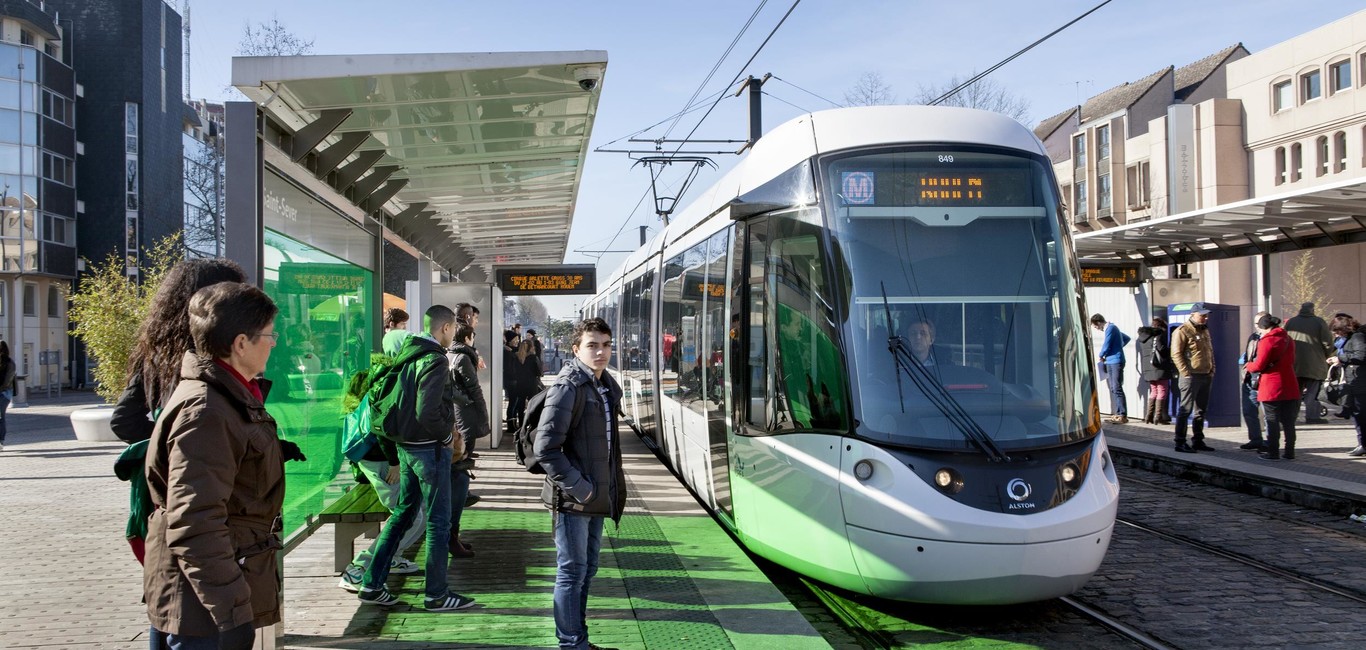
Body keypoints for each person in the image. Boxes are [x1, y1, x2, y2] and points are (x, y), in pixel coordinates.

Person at [142, 282, 283, 649]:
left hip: (208, 597)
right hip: (205, 610)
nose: (273, 343)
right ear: (240, 344)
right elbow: (196, 520)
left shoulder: (225, 396)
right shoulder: (207, 409)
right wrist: (232, 612)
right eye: (269, 335)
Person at [356, 304, 475, 612]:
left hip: (405, 448)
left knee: (404, 513)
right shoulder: (435, 359)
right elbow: (427, 409)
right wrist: (447, 436)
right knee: (438, 520)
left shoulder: (407, 352)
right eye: (452, 330)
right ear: (446, 328)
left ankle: (371, 583)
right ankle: (437, 594)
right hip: (429, 450)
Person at [530, 317, 625, 650]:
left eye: (606, 344)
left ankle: (579, 638)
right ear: (576, 349)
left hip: (596, 495)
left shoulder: (603, 384)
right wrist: (581, 488)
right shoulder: (569, 386)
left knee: (587, 570)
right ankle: (571, 643)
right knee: (571, 572)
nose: (600, 352)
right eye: (592, 345)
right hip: (574, 498)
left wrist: (603, 490)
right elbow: (546, 449)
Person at [336, 363, 425, 594]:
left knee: (417, 512)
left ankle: (391, 557)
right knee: (411, 517)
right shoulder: (395, 382)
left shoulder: (389, 376)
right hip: (382, 461)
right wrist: (395, 463)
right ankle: (359, 568)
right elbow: (382, 427)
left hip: (379, 458)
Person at [447, 322, 489, 558]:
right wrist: (483, 414)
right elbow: (474, 389)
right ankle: (452, 537)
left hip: (454, 415)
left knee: (460, 467)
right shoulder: (462, 357)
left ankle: (453, 536)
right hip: (466, 412)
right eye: (473, 335)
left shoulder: (449, 355)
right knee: (461, 468)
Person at [1244, 314, 1300, 460]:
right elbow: (1292, 360)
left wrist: (1249, 366)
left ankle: (1273, 452)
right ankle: (1289, 452)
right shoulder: (1288, 339)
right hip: (1290, 383)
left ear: (1264, 327)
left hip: (1272, 385)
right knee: (1288, 421)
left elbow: (1259, 365)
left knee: (1272, 419)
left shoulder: (1267, 341)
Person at [1171, 303, 1217, 453]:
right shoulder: (1182, 331)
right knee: (1185, 410)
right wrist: (1185, 372)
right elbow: (1176, 354)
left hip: (1205, 374)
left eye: (1206, 315)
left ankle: (1198, 440)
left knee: (1201, 410)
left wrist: (1212, 369)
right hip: (1191, 376)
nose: (1205, 318)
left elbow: (1209, 351)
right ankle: (1180, 442)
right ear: (1193, 314)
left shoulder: (1205, 330)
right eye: (1202, 315)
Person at [1285, 301, 1333, 425]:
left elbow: (1285, 340)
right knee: (1312, 392)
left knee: (1296, 392)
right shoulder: (1319, 322)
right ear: (1312, 310)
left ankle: (1291, 416)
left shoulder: (1291, 322)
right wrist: (1325, 355)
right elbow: (1327, 343)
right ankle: (1312, 416)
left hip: (1295, 363)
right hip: (1314, 363)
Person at [1328, 314, 1366, 456]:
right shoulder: (1347, 339)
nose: (1336, 334)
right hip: (1354, 380)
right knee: (1356, 413)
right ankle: (1362, 443)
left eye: (1337, 331)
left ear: (1344, 328)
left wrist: (1340, 358)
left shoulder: (1357, 337)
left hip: (1360, 381)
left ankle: (1363, 444)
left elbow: (1361, 356)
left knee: (1360, 414)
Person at [1236, 312, 1269, 451]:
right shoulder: (1254, 337)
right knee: (1249, 410)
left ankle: (1269, 441)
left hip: (1264, 379)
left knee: (1268, 414)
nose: (1257, 327)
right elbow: (1249, 356)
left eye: (1259, 323)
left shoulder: (1272, 338)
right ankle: (1255, 439)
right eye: (1255, 324)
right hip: (1250, 379)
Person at [1091, 314, 1132, 424]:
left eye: (1095, 326)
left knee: (1116, 387)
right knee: (1114, 388)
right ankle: (1118, 413)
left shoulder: (1110, 328)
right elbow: (1126, 338)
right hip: (1110, 361)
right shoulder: (1113, 328)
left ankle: (1122, 414)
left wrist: (1101, 354)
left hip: (1115, 362)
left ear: (1099, 323)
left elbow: (1107, 343)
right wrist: (1117, 347)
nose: (1096, 329)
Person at [1135, 318, 1174, 425]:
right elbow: (1161, 349)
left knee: (1154, 391)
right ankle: (1158, 417)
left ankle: (1149, 416)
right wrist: (1172, 350)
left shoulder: (1143, 338)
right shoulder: (1158, 335)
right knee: (1162, 390)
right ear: (1161, 327)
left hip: (1148, 368)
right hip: (1159, 367)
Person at [0, 341, 14, 452]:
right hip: (5, 393)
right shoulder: (10, 363)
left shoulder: (9, 363)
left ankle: (1, 441)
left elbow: (7, 380)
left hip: (3, 394)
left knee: (0, 417)